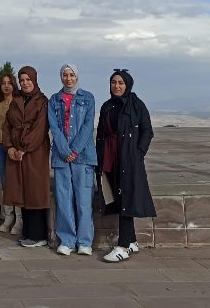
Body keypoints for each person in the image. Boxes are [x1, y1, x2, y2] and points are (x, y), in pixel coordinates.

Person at [96, 69, 156, 263]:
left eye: (121, 83)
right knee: (118, 197)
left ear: (128, 84)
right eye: (114, 82)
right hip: (110, 157)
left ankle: (122, 247)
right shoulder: (107, 106)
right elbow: (101, 133)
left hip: (129, 160)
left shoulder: (137, 105)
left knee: (126, 199)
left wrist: (138, 153)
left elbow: (147, 131)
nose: (117, 86)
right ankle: (131, 241)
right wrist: (99, 157)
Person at [48, 64, 97, 256]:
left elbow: (88, 126)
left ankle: (84, 241)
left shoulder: (88, 98)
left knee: (84, 200)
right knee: (63, 199)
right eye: (65, 75)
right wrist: (64, 150)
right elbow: (54, 127)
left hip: (83, 157)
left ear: (77, 77)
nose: (68, 79)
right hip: (61, 158)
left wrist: (74, 150)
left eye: (71, 75)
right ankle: (67, 240)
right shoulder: (54, 100)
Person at [3, 66, 50, 248]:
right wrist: (9, 147)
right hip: (16, 152)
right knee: (21, 191)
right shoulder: (16, 101)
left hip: (34, 152)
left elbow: (40, 128)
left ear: (34, 80)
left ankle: (38, 235)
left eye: (28, 79)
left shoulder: (42, 101)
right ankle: (27, 232)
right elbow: (7, 126)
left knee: (35, 192)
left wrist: (24, 148)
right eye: (22, 80)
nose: (25, 83)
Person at [0, 73, 20, 233]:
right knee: (5, 181)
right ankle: (8, 216)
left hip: (15, 146)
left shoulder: (19, 101)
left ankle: (19, 219)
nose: (6, 86)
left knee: (16, 181)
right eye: (3, 83)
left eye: (9, 83)